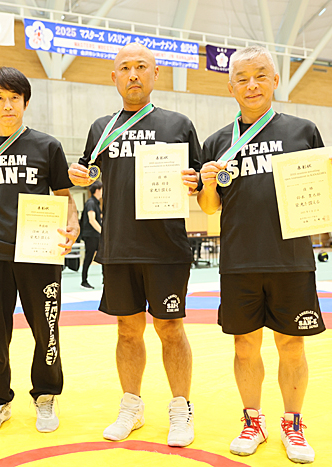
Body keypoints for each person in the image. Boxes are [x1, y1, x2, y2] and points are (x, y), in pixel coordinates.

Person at [197, 46, 332, 464]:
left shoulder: (303, 131)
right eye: (242, 78)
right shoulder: (217, 142)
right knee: (244, 346)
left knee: (292, 345)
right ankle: (253, 420)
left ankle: (293, 423)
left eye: (260, 76)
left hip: (291, 259)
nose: (251, 85)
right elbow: (209, 207)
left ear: (275, 80)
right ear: (230, 87)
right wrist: (209, 184)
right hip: (239, 261)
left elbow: (319, 194)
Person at [68, 43, 201, 448]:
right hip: (119, 247)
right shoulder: (101, 128)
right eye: (125, 68)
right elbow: (90, 173)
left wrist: (196, 181)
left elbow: (199, 182)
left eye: (141, 66)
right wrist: (79, 176)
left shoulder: (179, 124)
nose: (133, 74)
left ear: (155, 73)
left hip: (166, 248)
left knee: (171, 329)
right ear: (114, 77)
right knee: (127, 331)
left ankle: (180, 408)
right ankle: (132, 406)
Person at [0, 66, 79, 435]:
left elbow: (63, 196)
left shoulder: (47, 146)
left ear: (25, 102)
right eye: (0, 99)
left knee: (46, 329)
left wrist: (72, 224)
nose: (8, 105)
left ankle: (45, 396)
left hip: (39, 251)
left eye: (14, 98)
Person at [81, 181, 103, 289]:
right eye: (102, 189)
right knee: (89, 257)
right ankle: (84, 281)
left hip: (95, 235)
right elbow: (92, 220)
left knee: (103, 255)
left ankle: (105, 280)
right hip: (91, 235)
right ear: (97, 190)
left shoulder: (96, 203)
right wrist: (102, 232)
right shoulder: (91, 202)